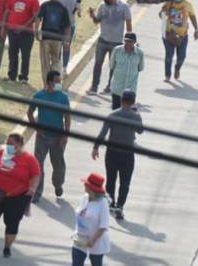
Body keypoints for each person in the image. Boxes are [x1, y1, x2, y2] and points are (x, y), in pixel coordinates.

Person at [0, 132, 41, 258]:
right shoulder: (1, 153)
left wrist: (33, 188)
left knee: (12, 224)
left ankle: (7, 248)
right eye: (7, 143)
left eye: (12, 144)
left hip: (16, 198)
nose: (9, 146)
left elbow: (36, 175)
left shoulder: (29, 159)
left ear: (20, 144)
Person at [91, 90, 143, 220]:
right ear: (133, 102)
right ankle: (120, 206)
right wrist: (138, 114)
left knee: (111, 180)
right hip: (127, 154)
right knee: (125, 182)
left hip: (112, 153)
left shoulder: (112, 115)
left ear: (121, 100)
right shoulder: (136, 116)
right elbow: (140, 131)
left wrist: (96, 147)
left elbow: (103, 133)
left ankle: (110, 204)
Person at [28, 69, 70, 203]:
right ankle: (37, 192)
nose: (59, 84)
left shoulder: (63, 97)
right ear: (50, 82)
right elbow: (30, 112)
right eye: (57, 81)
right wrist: (36, 128)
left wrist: (65, 135)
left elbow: (67, 117)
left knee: (58, 164)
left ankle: (58, 184)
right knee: (37, 165)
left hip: (58, 137)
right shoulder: (39, 96)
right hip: (42, 137)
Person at [86, 0, 132, 96]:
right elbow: (97, 21)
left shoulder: (123, 7)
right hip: (103, 40)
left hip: (116, 42)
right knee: (98, 64)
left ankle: (110, 87)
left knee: (113, 66)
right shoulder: (102, 6)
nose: (105, 0)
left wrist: (129, 41)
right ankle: (94, 86)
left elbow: (129, 24)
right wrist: (92, 15)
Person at [71, 173, 112, 265]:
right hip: (80, 239)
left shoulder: (103, 203)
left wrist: (92, 241)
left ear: (91, 187)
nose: (84, 185)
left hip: (96, 242)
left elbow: (103, 226)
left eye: (86, 183)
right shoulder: (85, 197)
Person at [4, 0, 39, 83]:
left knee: (25, 55)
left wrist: (23, 27)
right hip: (12, 31)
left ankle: (23, 77)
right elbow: (8, 10)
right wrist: (4, 26)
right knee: (12, 53)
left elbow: (35, 17)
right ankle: (12, 76)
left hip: (26, 33)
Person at [34, 0, 70, 85]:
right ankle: (56, 82)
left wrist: (36, 31)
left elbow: (38, 19)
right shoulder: (63, 8)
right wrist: (66, 40)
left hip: (45, 37)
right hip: (58, 39)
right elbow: (67, 26)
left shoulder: (45, 5)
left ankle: (46, 85)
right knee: (56, 61)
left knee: (45, 63)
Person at [160, 0, 198, 82]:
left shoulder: (187, 5)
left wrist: (196, 29)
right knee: (169, 55)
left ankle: (177, 68)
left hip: (182, 35)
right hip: (168, 34)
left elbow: (193, 17)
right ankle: (167, 75)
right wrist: (165, 14)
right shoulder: (168, 3)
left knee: (182, 56)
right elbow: (161, 15)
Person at [107, 33, 143, 110]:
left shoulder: (139, 53)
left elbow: (140, 68)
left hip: (130, 90)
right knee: (115, 113)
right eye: (126, 41)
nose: (128, 43)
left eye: (131, 42)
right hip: (117, 88)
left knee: (128, 114)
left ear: (135, 42)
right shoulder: (117, 50)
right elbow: (111, 65)